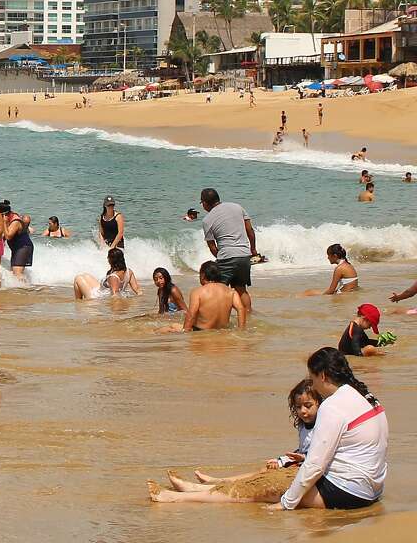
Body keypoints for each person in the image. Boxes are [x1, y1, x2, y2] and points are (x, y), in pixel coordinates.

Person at [148, 379, 322, 504]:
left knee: (262, 479)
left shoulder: (323, 425)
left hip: (308, 469)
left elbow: (315, 455)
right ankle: (215, 482)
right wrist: (280, 460)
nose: (303, 411)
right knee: (264, 470)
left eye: (308, 406)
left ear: (320, 403)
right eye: (298, 407)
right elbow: (302, 450)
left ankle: (202, 489)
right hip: (300, 464)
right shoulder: (304, 425)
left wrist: (289, 461)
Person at [275, 347, 387, 510]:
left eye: (312, 380)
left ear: (322, 376)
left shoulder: (332, 405)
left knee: (266, 488)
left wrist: (285, 504)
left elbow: (315, 465)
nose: (313, 385)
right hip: (374, 490)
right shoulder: (369, 398)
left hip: (349, 493)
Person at [199, 188, 257, 314]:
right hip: (244, 255)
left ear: (205, 203)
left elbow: (212, 246)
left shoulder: (207, 220)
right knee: (241, 289)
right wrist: (253, 249)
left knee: (221, 291)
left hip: (226, 257)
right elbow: (250, 231)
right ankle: (248, 315)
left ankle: (221, 320)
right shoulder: (237, 207)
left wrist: (220, 257)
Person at [158, 262, 247, 332]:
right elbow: (241, 309)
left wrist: (185, 331)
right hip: (222, 330)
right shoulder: (231, 292)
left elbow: (191, 314)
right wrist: (241, 329)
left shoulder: (197, 292)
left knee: (168, 328)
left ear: (203, 275)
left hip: (200, 330)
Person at [73, 248, 141, 300]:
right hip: (102, 290)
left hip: (98, 298)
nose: (107, 259)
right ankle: (80, 301)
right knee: (85, 275)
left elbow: (115, 296)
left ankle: (79, 303)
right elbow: (137, 289)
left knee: (78, 278)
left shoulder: (113, 277)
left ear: (112, 260)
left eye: (108, 257)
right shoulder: (129, 271)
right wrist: (142, 300)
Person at [0, 200, 34, 284]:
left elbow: (8, 236)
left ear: (3, 215)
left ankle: (27, 289)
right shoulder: (10, 218)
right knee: (14, 272)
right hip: (17, 248)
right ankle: (21, 289)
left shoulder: (15, 221)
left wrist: (3, 222)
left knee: (17, 273)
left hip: (23, 247)